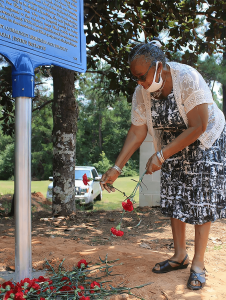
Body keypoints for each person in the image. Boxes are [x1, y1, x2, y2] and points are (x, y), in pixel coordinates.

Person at [100, 39, 226, 290]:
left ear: (159, 66)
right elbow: (137, 131)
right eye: (135, 78)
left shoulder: (187, 78)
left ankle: (198, 264)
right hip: (170, 143)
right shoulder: (141, 92)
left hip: (205, 139)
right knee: (175, 195)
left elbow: (198, 126)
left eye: (141, 76)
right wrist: (117, 167)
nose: (139, 82)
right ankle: (180, 256)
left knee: (201, 198)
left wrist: (160, 156)